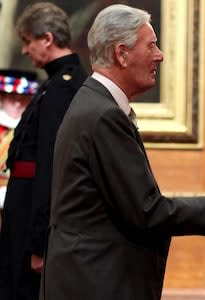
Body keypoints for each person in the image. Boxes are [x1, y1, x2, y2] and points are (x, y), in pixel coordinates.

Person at [41, 4, 205, 300]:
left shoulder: (94, 103)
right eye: (151, 45)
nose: (160, 55)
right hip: (96, 282)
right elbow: (146, 211)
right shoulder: (102, 114)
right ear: (121, 53)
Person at [0, 3, 87, 300]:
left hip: (30, 225)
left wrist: (39, 244)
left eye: (28, 41)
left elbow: (52, 169)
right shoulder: (55, 84)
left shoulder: (62, 89)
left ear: (47, 39)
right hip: (23, 216)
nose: (24, 50)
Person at [0, 69, 39, 206]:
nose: (18, 104)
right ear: (2, 97)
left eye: (24, 98)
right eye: (12, 97)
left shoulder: (38, 130)